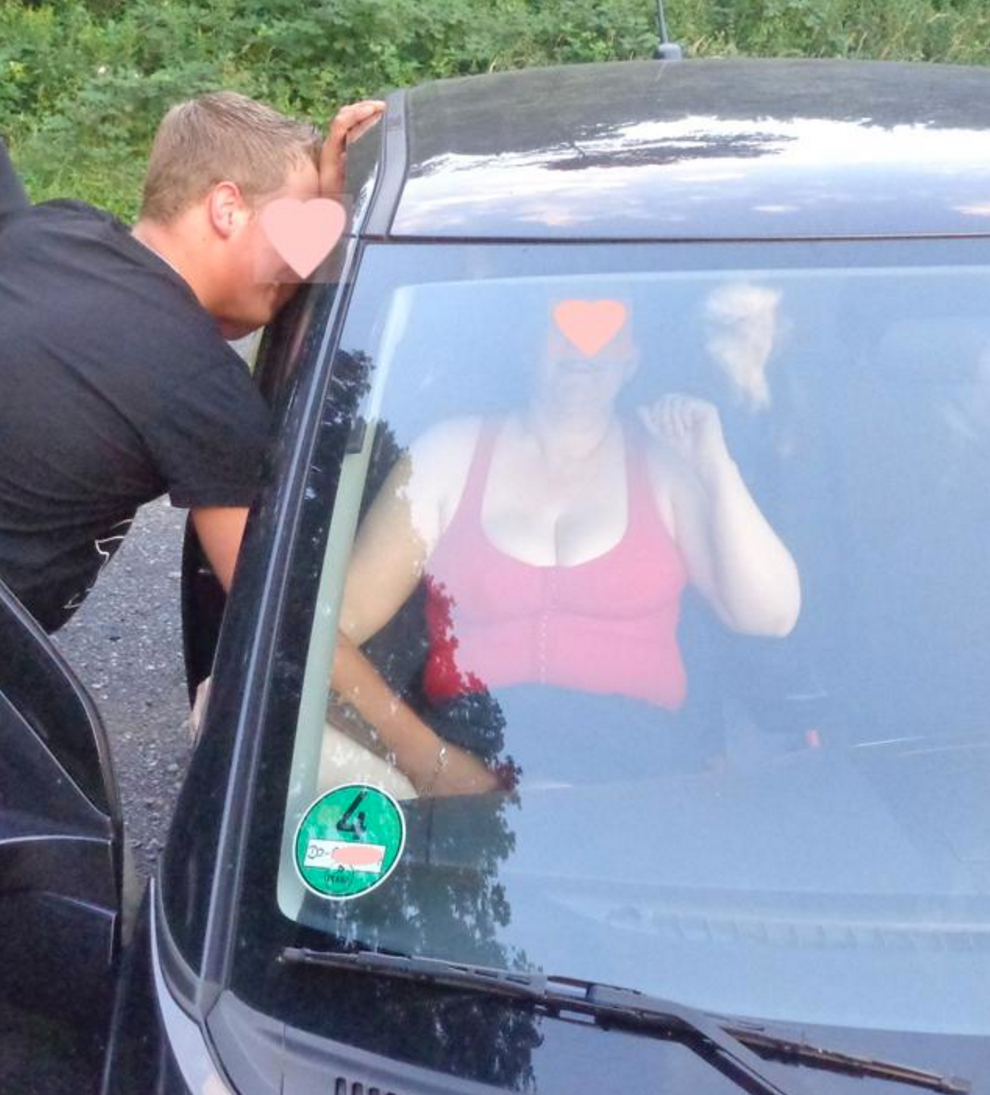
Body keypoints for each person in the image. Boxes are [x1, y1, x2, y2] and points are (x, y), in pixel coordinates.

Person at [328, 300, 801, 797]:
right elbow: (328, 636)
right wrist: (432, 763)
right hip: (467, 767)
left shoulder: (667, 464)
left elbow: (769, 615)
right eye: (561, 326)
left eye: (606, 328)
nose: (582, 348)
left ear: (632, 359)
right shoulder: (447, 454)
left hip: (642, 779)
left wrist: (715, 466)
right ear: (526, 346)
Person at [0, 92, 384, 632]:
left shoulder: (59, 228)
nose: (299, 266)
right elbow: (279, 617)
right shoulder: (202, 386)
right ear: (227, 209)